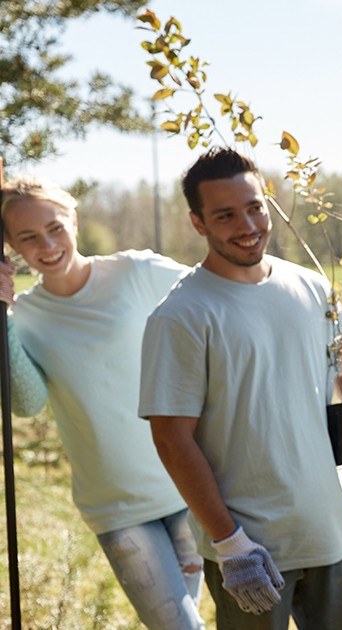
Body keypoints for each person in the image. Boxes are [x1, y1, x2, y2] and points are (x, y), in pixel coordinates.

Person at [138, 147, 342, 629]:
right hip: (251, 549)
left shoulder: (312, 288)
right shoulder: (180, 316)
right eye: (225, 215)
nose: (247, 225)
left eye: (255, 207)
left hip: (330, 533)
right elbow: (171, 439)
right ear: (198, 224)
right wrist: (229, 542)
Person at [0, 175, 205, 630]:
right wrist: (5, 318)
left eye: (54, 227)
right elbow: (28, 403)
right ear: (11, 246)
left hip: (190, 481)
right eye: (28, 237)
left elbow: (216, 300)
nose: (47, 245)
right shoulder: (24, 316)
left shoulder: (136, 271)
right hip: (116, 502)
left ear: (73, 219)